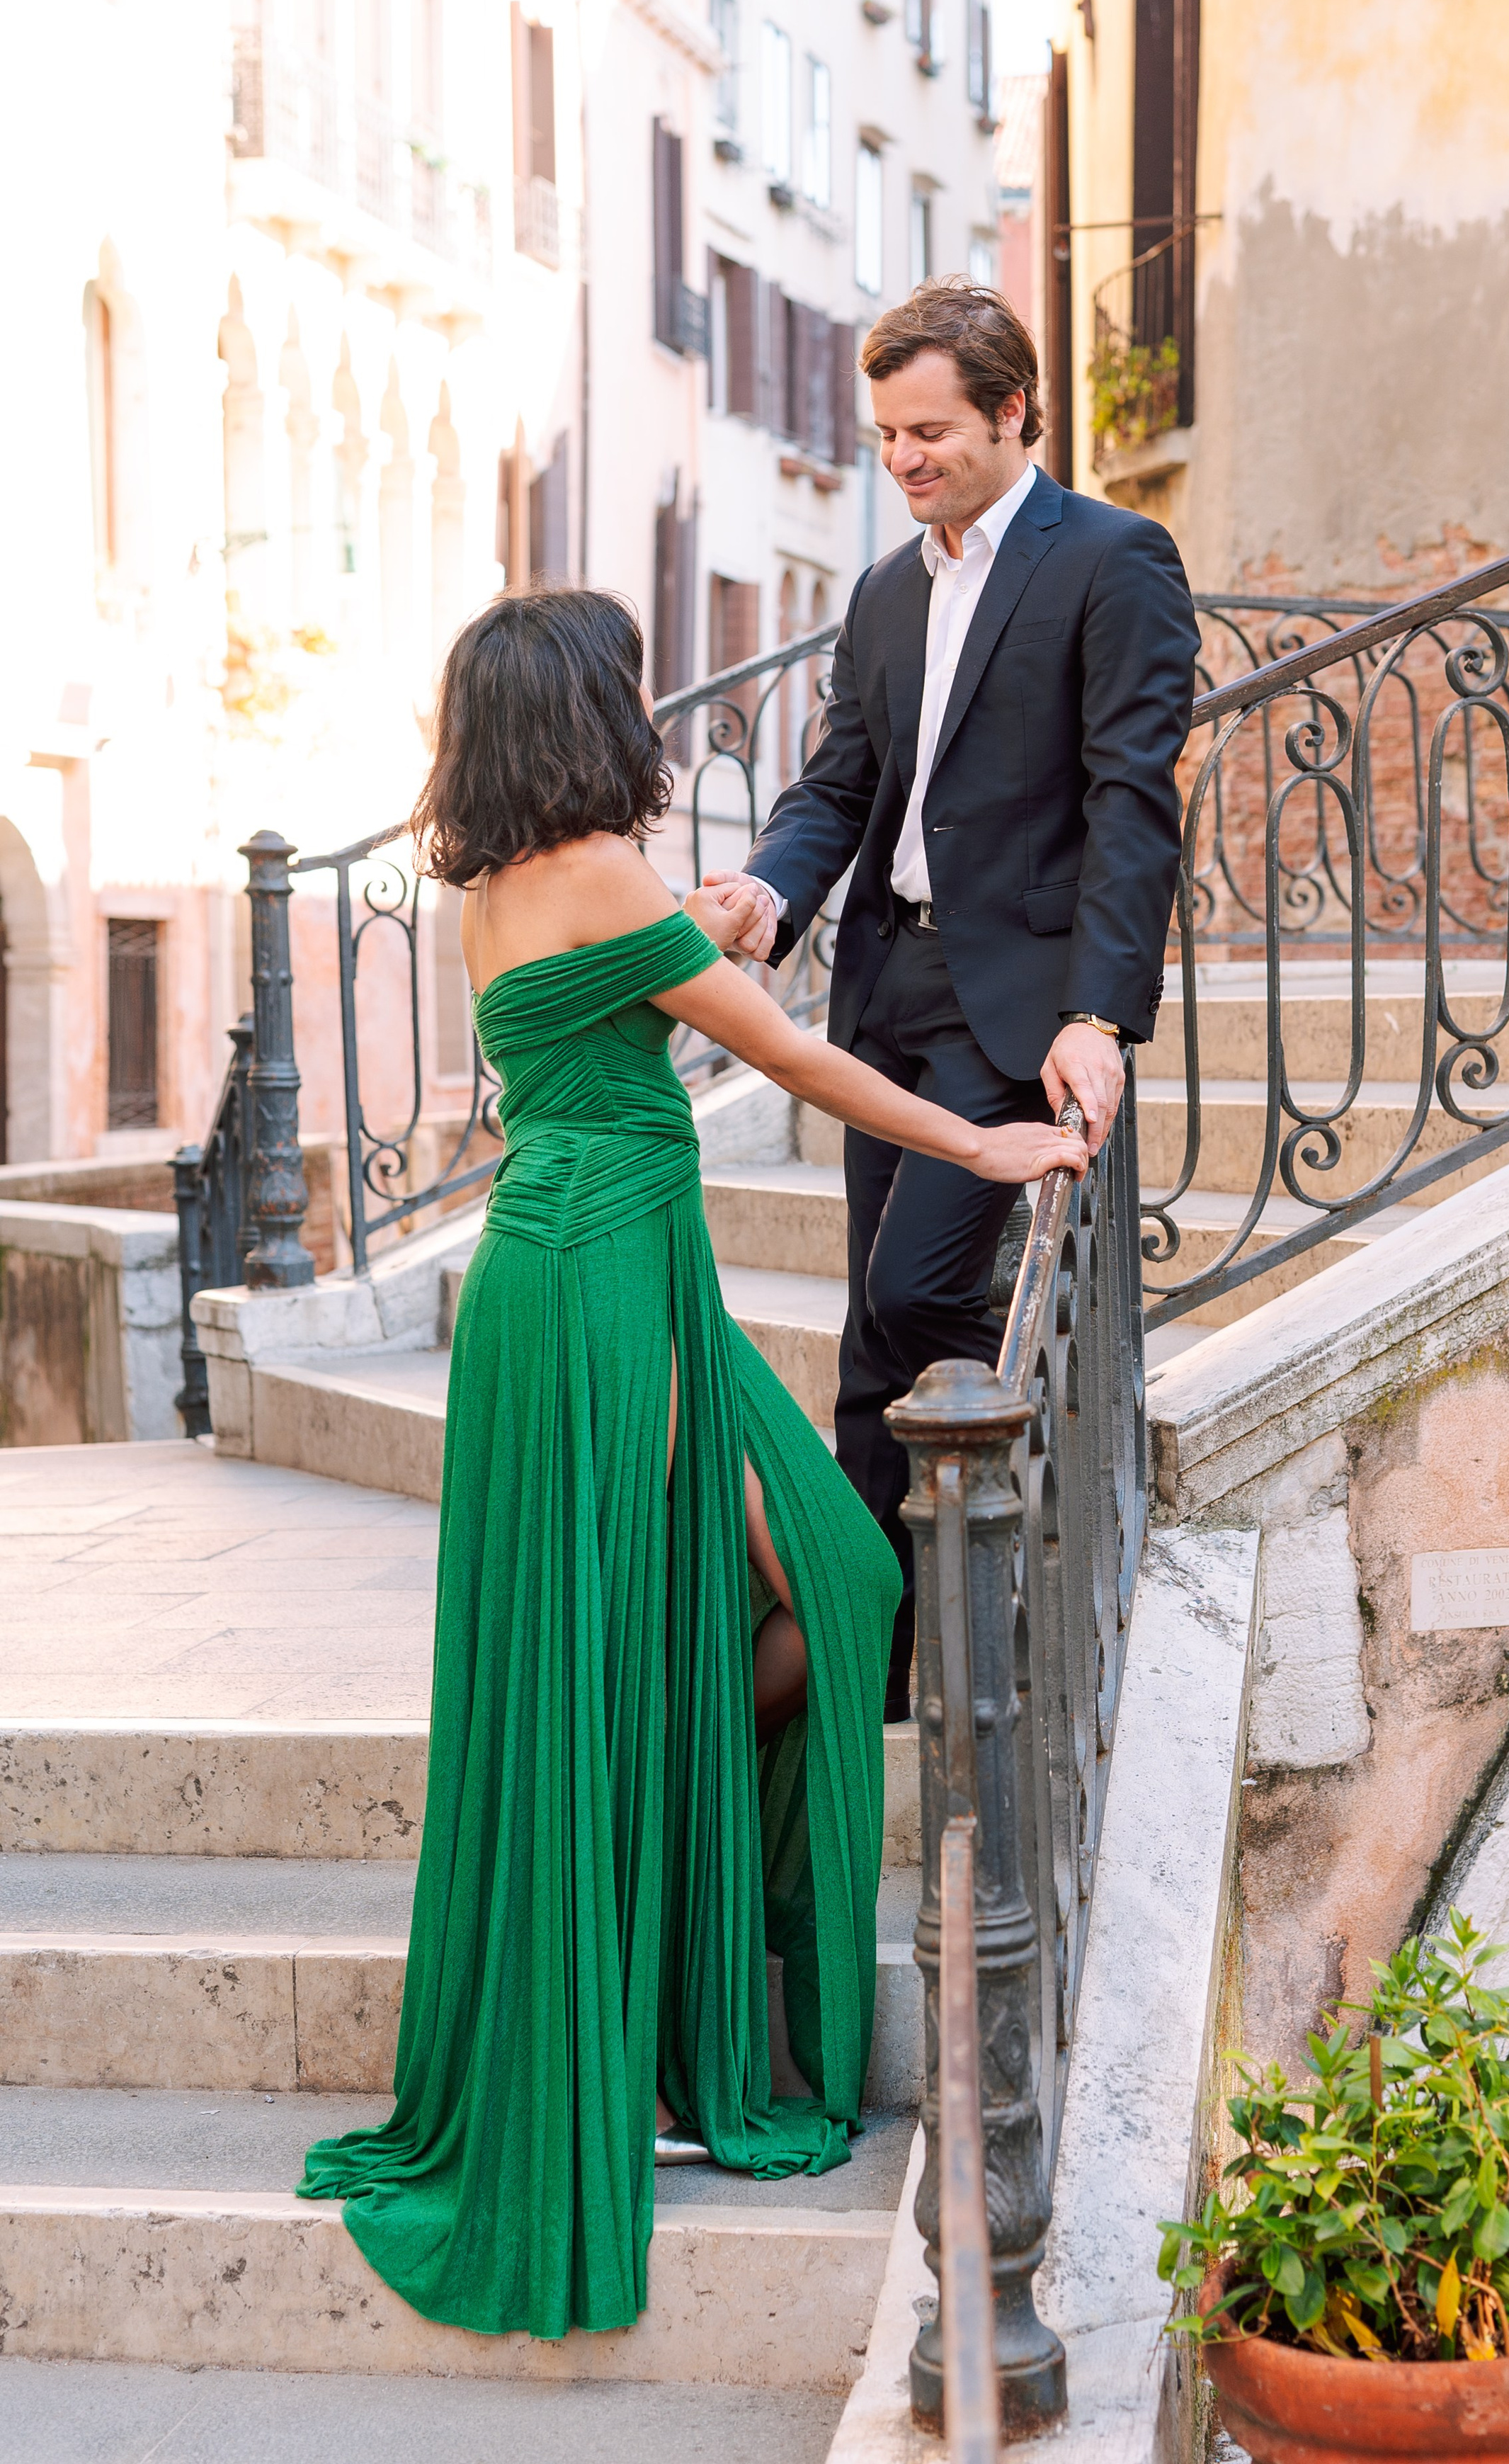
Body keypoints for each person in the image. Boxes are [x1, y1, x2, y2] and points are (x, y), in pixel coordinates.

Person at [297, 586, 1085, 2342]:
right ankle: (646, 1937)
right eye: (629, 691)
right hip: (601, 1285)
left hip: (573, 1259)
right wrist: (979, 1136)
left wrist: (720, 919)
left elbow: (684, 972)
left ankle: (637, 1862)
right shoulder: (594, 879)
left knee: (739, 1593)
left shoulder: (505, 885)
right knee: (822, 1572)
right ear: (590, 717)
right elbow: (784, 1048)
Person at [704, 277, 1200, 1720]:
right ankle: (869, 1647)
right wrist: (767, 898)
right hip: (889, 980)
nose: (905, 458)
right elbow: (838, 788)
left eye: (930, 431)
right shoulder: (878, 592)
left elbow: (1129, 804)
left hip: (1021, 996)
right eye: (886, 436)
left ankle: (938, 1589)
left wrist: (1096, 1013)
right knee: (872, 1328)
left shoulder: (1113, 560)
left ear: (1011, 411)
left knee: (919, 1291)